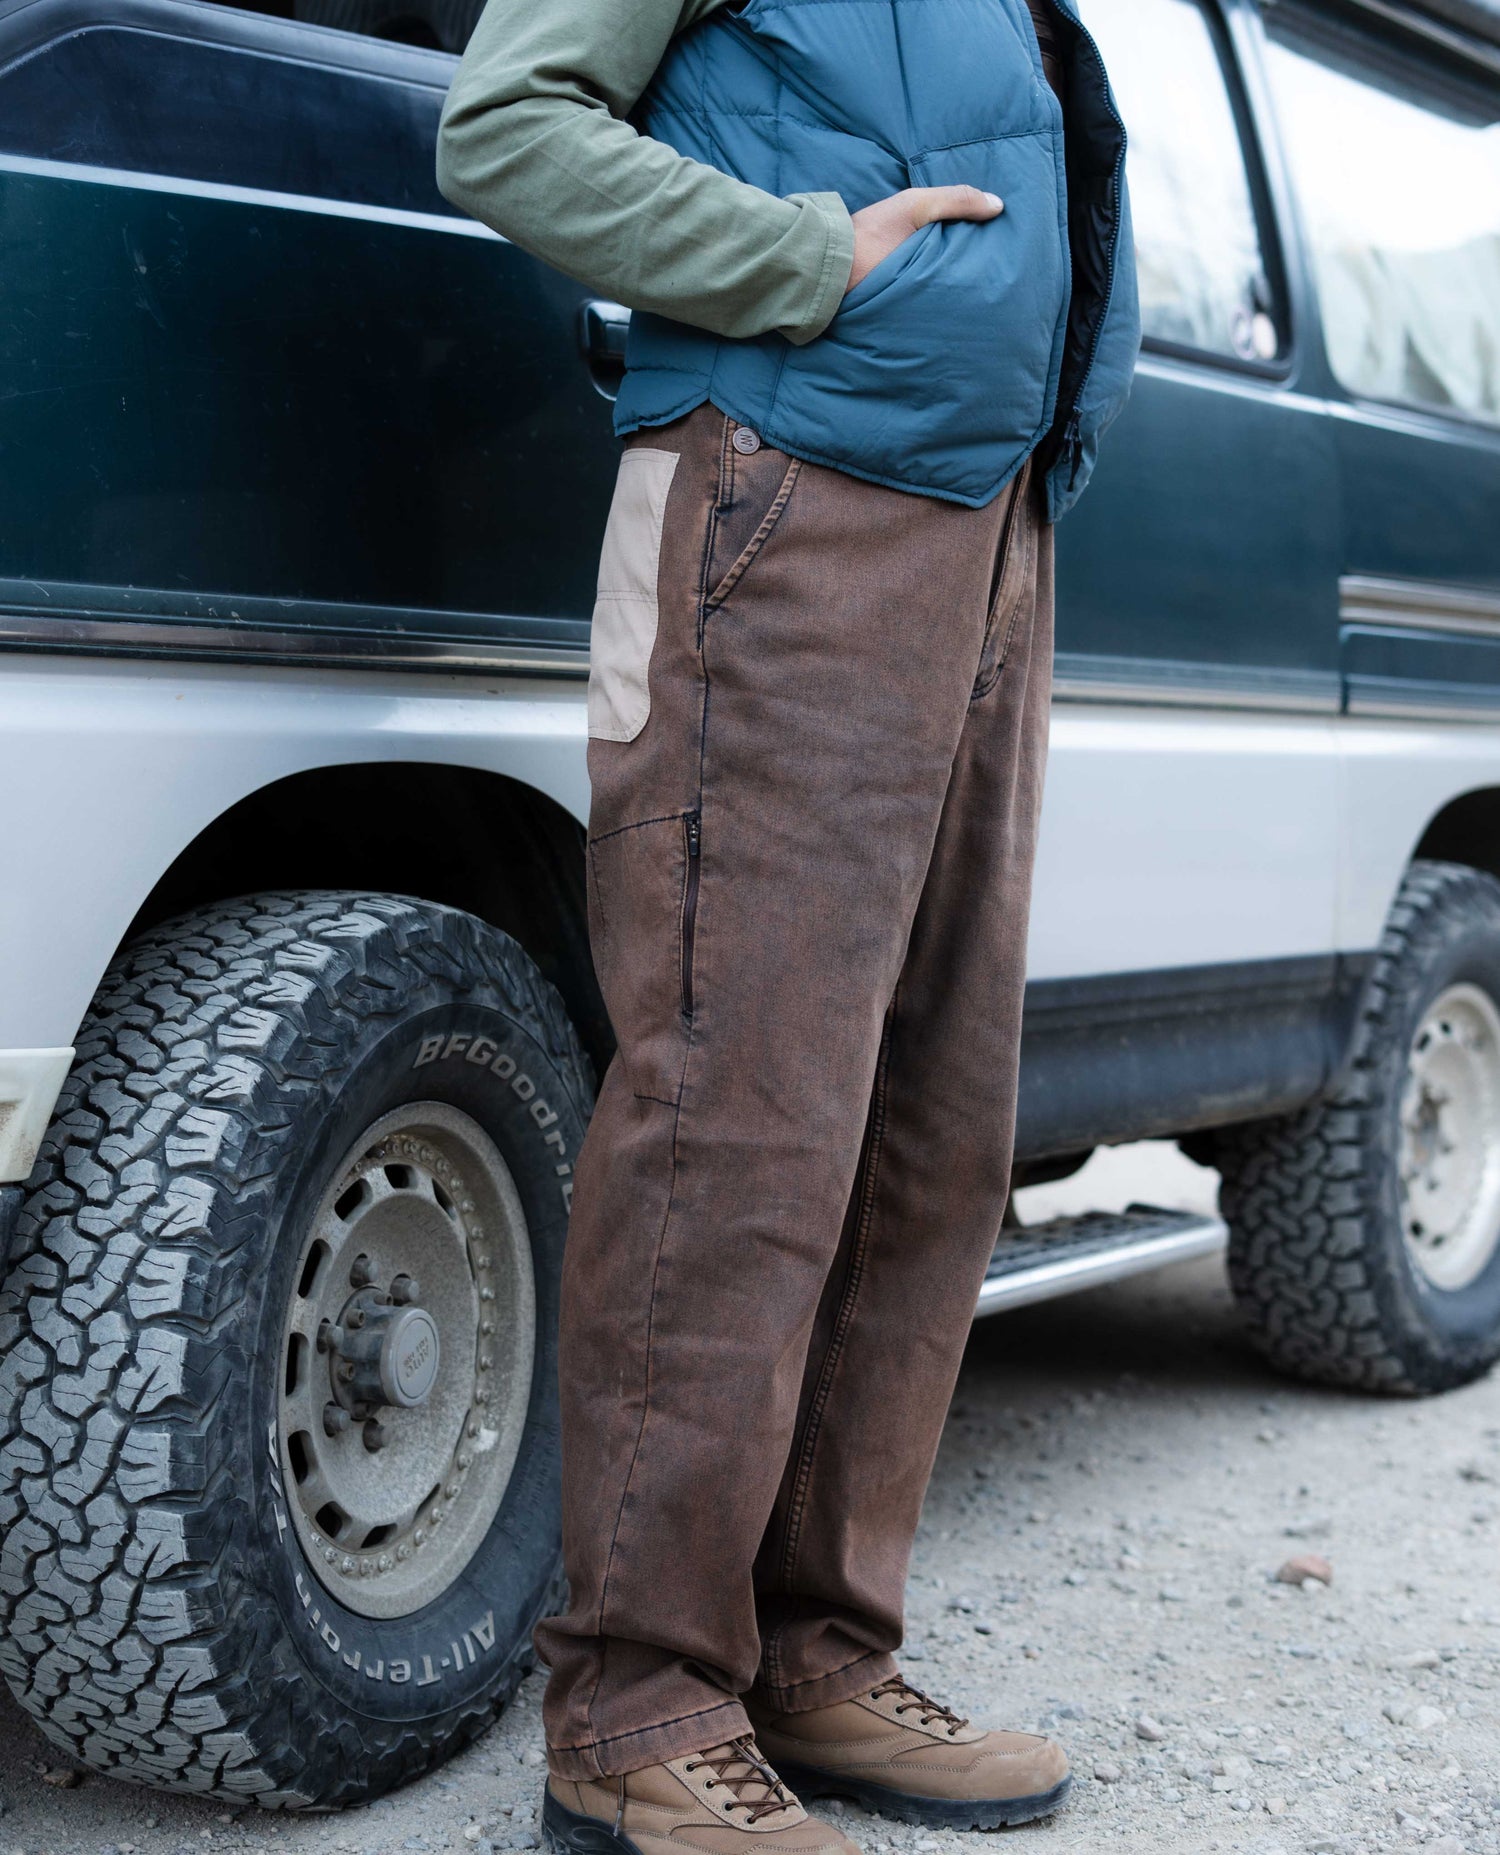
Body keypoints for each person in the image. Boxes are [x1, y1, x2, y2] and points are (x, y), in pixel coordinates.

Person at [437, 3, 1138, 1850]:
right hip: (786, 499)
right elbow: (510, 124)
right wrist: (809, 263)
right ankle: (638, 1704)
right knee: (741, 1113)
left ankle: (815, 1658)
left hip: (986, 527)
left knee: (929, 1127)